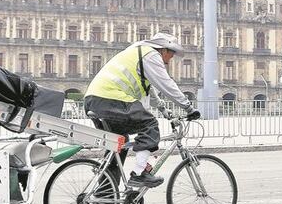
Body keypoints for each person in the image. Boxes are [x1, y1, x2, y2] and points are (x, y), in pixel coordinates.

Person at [84, 33, 200, 189]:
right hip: (110, 99)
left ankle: (105, 194)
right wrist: (188, 107)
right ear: (163, 49)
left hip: (95, 100)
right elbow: (166, 84)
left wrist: (164, 111)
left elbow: (149, 91)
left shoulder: (139, 52)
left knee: (119, 142)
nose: (170, 59)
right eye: (171, 53)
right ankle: (139, 174)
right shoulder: (151, 55)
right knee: (149, 125)